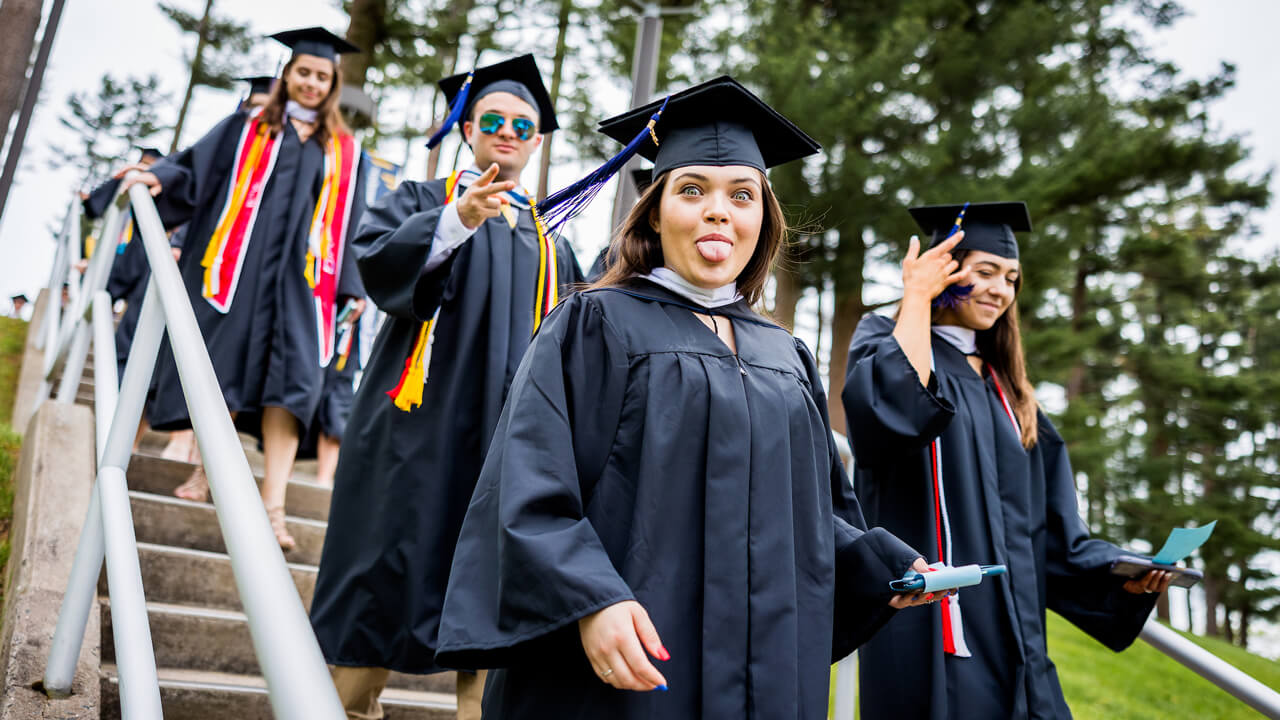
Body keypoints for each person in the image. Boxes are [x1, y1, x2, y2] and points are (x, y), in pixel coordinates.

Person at [433, 76, 937, 720]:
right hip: (629, 661)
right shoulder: (596, 323)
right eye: (692, 189)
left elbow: (810, 515)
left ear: (763, 217)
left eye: (742, 194)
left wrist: (877, 562)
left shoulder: (785, 354)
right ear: (656, 209)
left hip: (765, 673)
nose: (718, 209)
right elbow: (527, 486)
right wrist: (591, 598)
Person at [309, 54, 583, 720]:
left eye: (524, 124)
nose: (509, 132)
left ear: (538, 140)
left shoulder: (551, 241)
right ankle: (348, 708)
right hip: (414, 431)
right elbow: (377, 266)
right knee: (381, 569)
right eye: (493, 119)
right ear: (466, 129)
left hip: (505, 446)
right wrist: (458, 219)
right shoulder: (421, 200)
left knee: (498, 594)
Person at [841, 202, 1174, 719]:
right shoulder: (887, 341)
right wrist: (916, 297)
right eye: (986, 271)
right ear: (943, 268)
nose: (1001, 289)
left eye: (1012, 277)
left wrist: (1120, 575)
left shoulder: (1007, 389)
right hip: (930, 629)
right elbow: (888, 412)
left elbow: (1055, 532)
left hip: (1019, 642)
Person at [121, 27, 368, 551]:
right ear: (288, 74)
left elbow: (352, 227)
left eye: (322, 76)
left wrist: (352, 286)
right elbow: (194, 170)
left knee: (292, 391)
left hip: (304, 288)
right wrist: (158, 177)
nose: (311, 82)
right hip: (238, 278)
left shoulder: (346, 152)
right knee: (226, 376)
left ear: (333, 84)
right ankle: (207, 475)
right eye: (303, 72)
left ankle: (274, 507)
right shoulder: (247, 128)